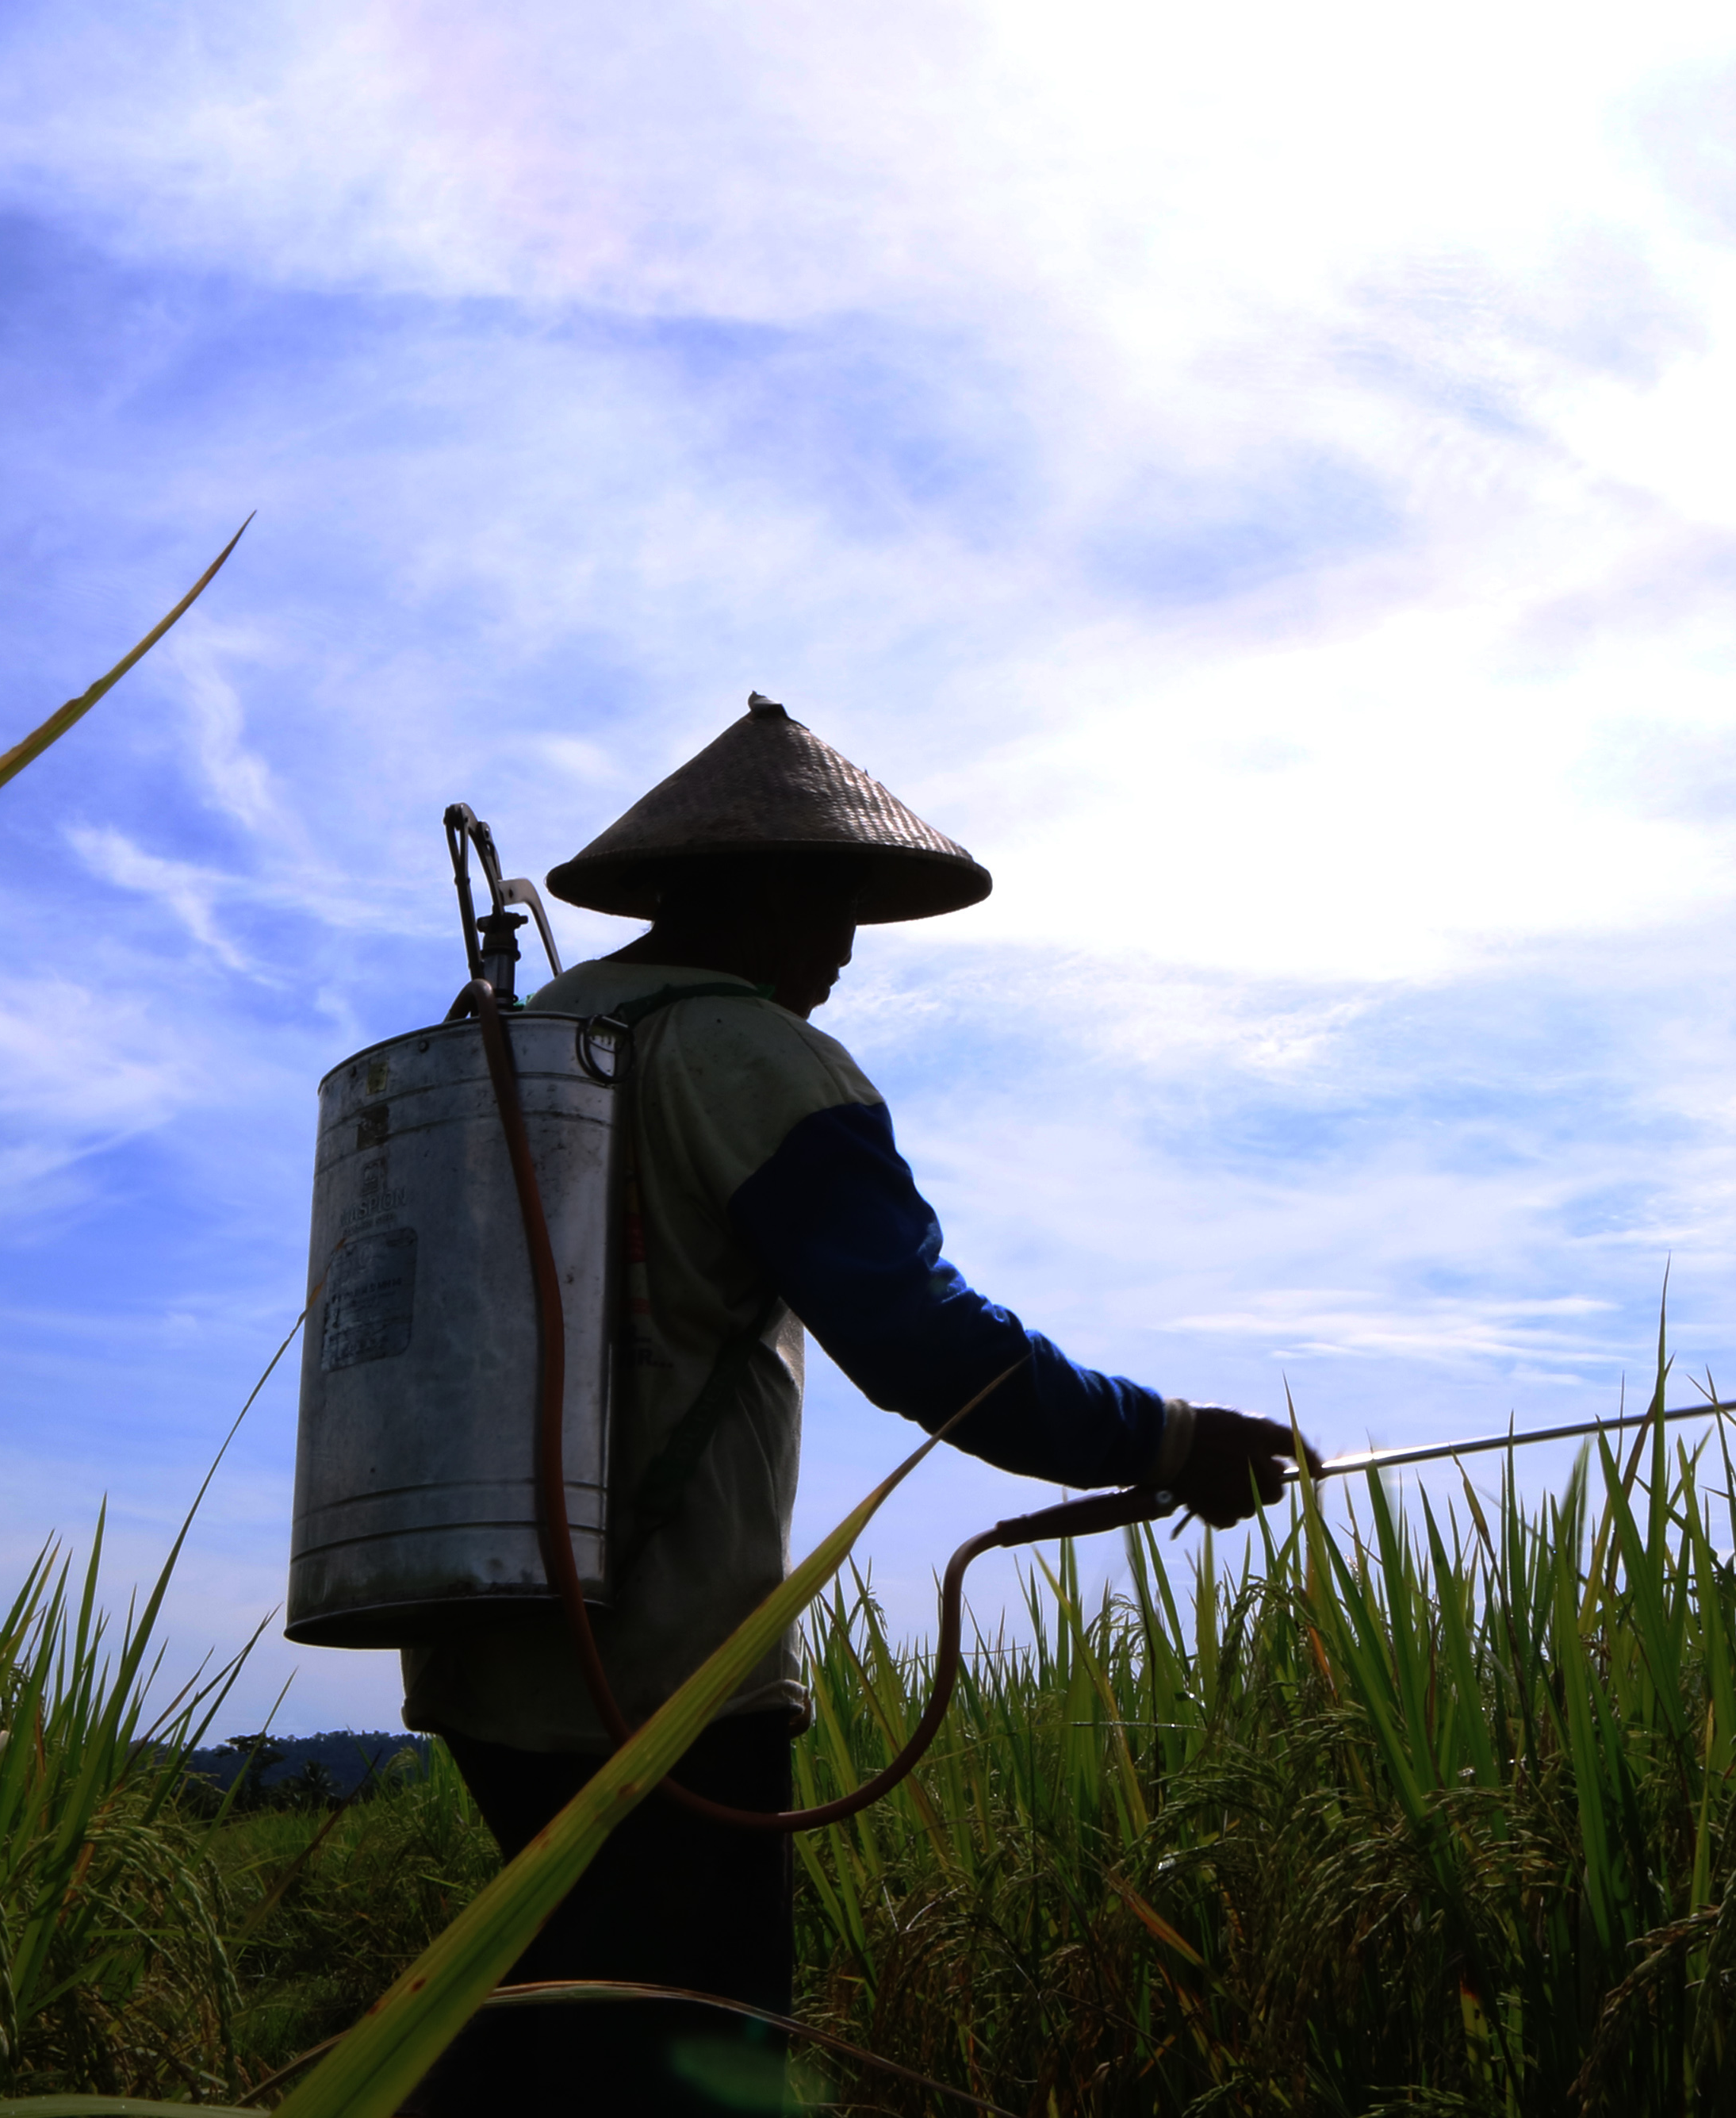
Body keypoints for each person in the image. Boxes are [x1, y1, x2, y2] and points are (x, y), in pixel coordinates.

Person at [400, 695, 1310, 2116]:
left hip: (482, 1652)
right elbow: (928, 1341)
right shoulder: (754, 1058)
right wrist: (1174, 1439)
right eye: (833, 905)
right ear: (754, 886)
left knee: (560, 2034)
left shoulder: (520, 1042)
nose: (841, 951)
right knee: (698, 2061)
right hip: (662, 1676)